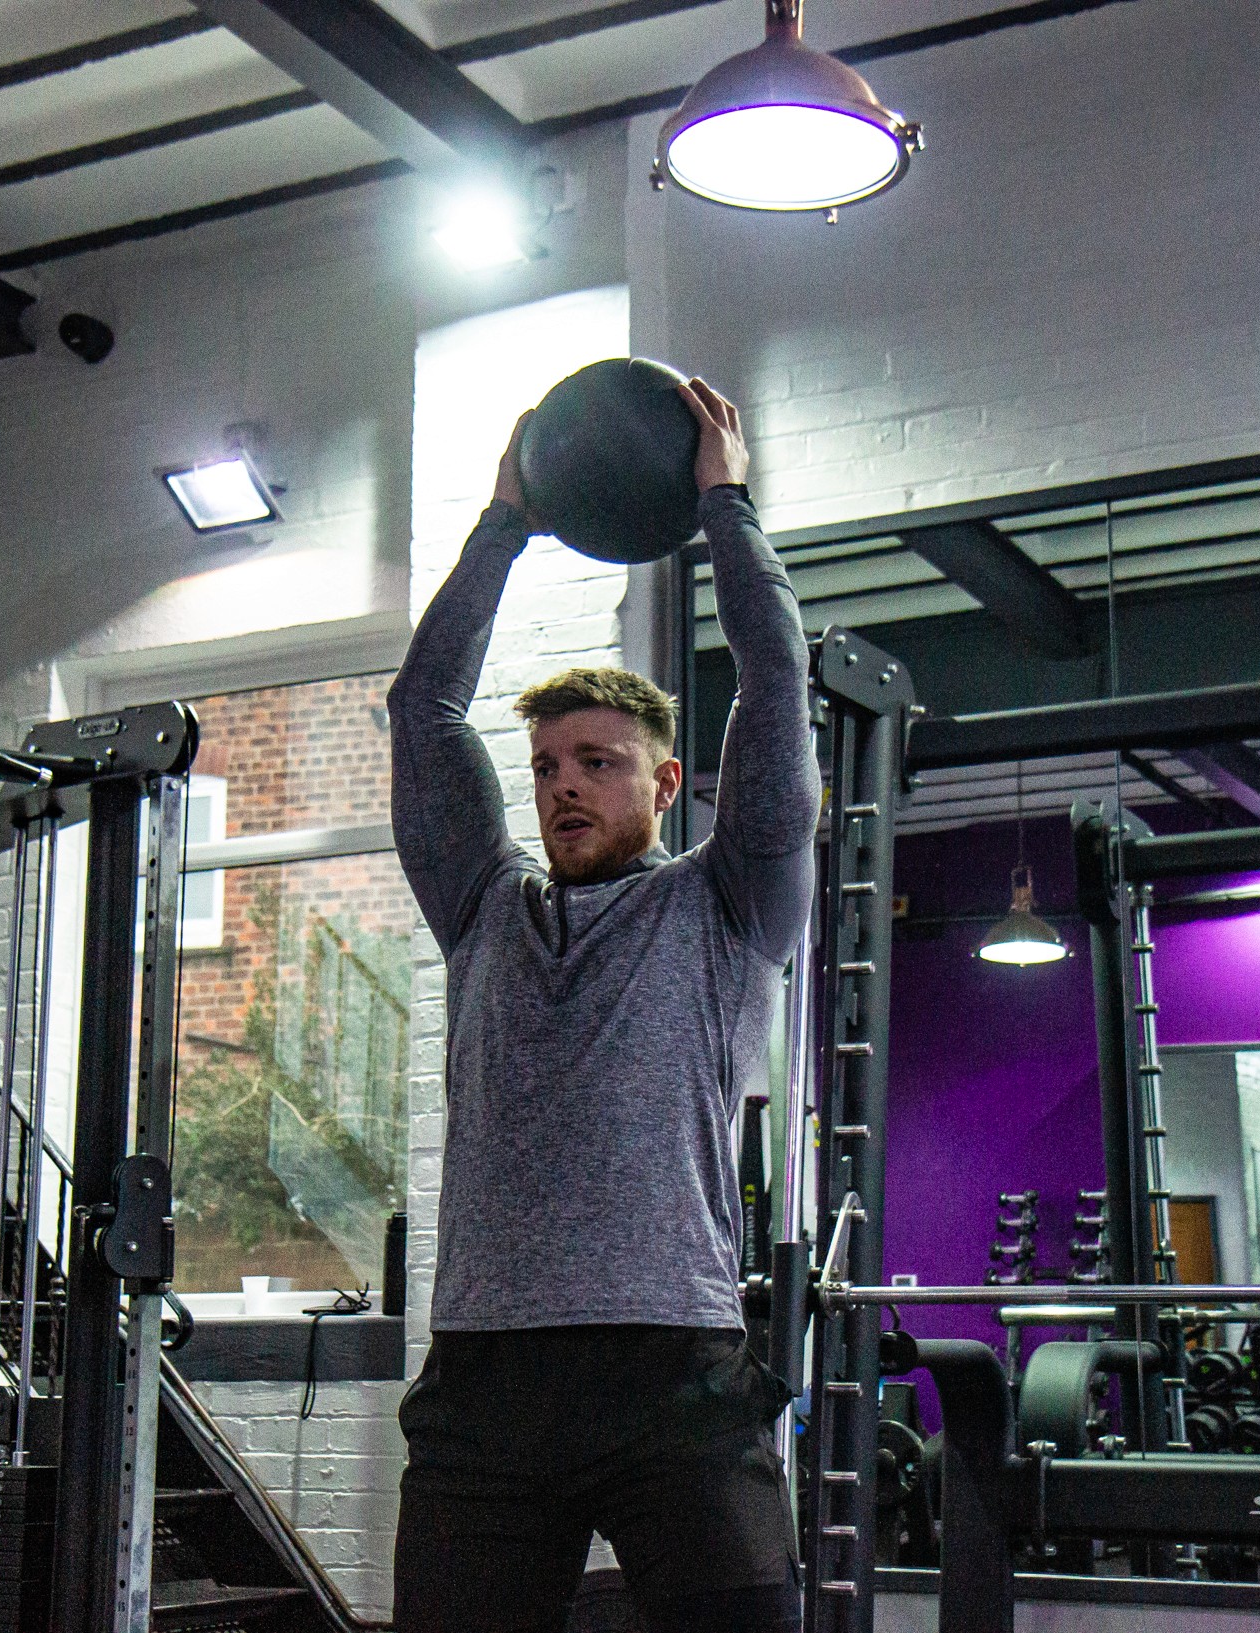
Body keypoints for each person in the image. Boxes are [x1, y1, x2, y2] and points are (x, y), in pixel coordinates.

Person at [386, 378, 818, 1633]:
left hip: (670, 1369)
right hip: (485, 1380)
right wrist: (501, 525)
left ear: (667, 783)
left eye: (598, 762)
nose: (563, 786)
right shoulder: (483, 907)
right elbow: (421, 709)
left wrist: (726, 507)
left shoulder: (727, 902)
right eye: (546, 767)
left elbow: (774, 684)